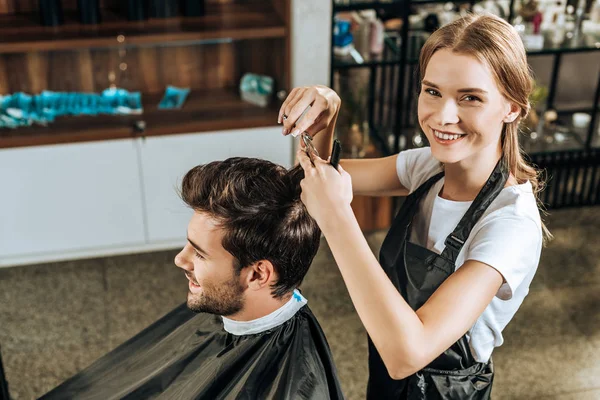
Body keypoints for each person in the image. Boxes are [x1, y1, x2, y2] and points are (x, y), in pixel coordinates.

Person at [279, 13, 549, 399]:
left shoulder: (509, 225)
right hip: (388, 379)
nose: (443, 116)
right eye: (432, 91)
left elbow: (409, 352)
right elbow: (313, 181)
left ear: (511, 109)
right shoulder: (427, 167)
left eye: (470, 97)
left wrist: (338, 218)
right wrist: (327, 117)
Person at [41, 158, 344, 400]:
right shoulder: (228, 305)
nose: (179, 259)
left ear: (257, 274)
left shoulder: (293, 385)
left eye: (199, 254)